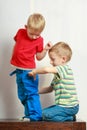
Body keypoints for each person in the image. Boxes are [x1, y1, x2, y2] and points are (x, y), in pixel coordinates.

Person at [10, 13, 52, 121]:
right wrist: (13, 57)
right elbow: (16, 44)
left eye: (37, 34)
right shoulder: (20, 32)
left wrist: (45, 49)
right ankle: (29, 115)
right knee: (22, 95)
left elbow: (38, 57)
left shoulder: (39, 40)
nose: (34, 37)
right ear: (26, 27)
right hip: (19, 70)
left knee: (31, 94)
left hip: (29, 71)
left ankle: (35, 116)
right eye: (32, 33)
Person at [29, 41, 79, 122]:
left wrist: (34, 71)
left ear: (63, 59)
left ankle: (70, 118)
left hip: (70, 107)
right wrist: (34, 91)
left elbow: (46, 69)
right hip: (62, 106)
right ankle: (69, 117)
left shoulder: (64, 68)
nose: (50, 62)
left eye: (52, 59)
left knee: (45, 115)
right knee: (40, 113)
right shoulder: (57, 75)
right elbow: (50, 89)